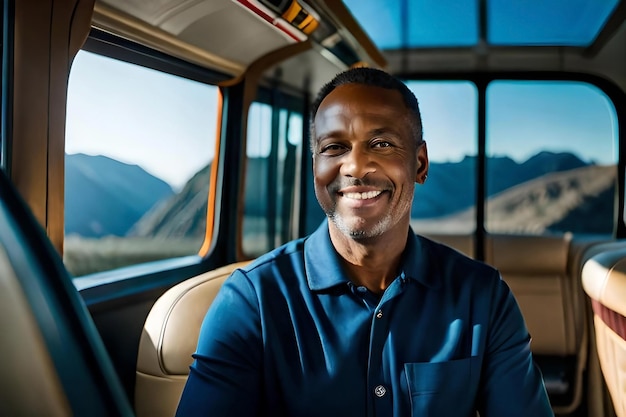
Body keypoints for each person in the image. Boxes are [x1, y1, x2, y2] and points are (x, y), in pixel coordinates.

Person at [175, 67, 554, 416]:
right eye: (334, 148)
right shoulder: (251, 300)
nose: (355, 166)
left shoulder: (483, 297)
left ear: (419, 164)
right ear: (315, 168)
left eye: (382, 144)